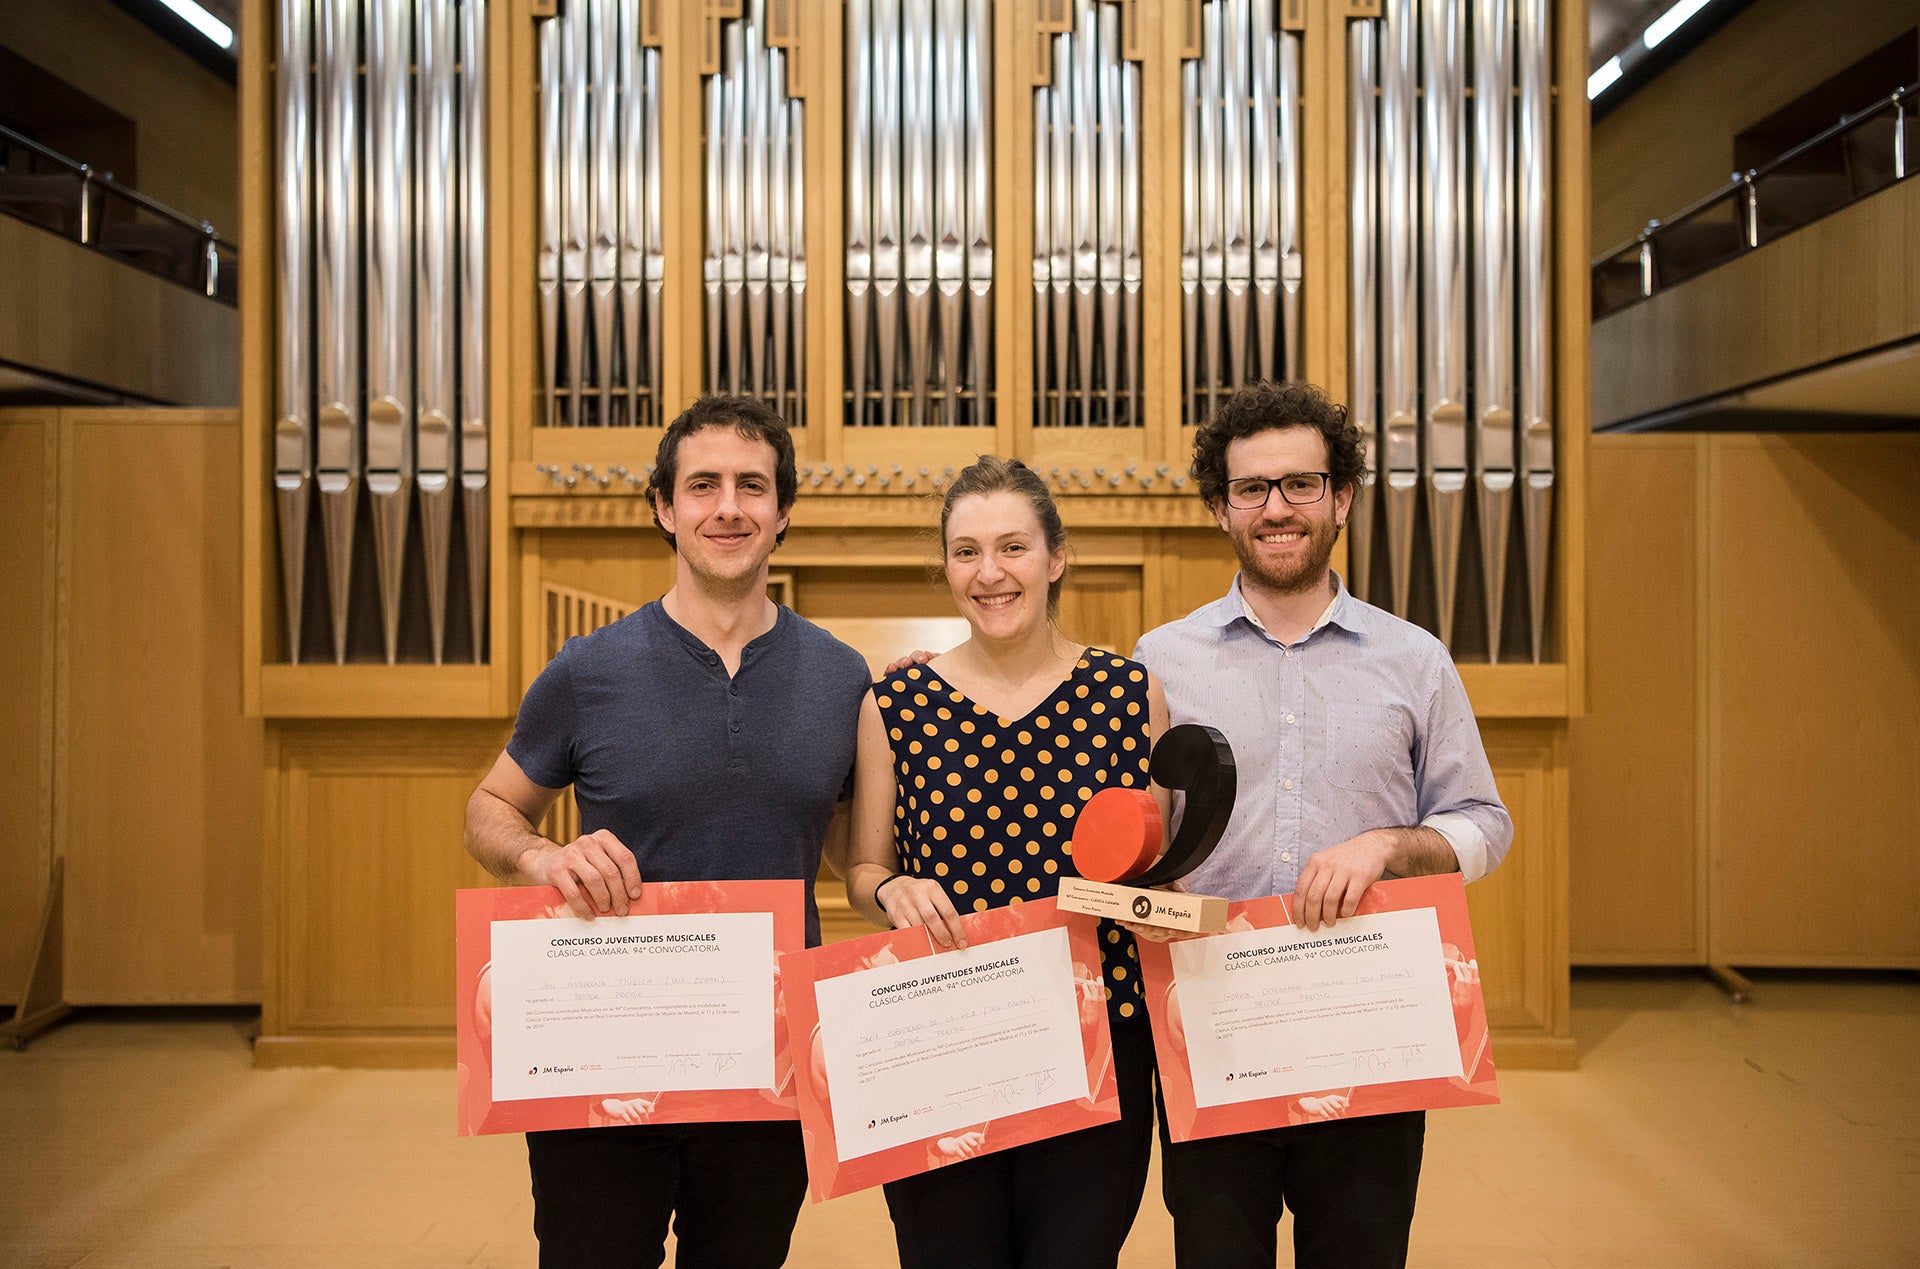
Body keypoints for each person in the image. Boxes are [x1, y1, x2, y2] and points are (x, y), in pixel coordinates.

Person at [462, 395, 872, 1269]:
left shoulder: (842, 677)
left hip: (766, 1067)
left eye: (752, 485)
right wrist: (544, 851)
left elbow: (845, 847)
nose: (728, 506)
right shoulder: (587, 668)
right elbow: (489, 809)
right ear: (664, 507)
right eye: (703, 485)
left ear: (784, 510)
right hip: (603, 1053)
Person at [1130, 379, 1514, 1269]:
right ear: (1221, 509)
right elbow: (1132, 837)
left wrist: (1388, 844)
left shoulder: (1413, 658)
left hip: (1372, 1021)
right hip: (1217, 1021)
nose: (1277, 508)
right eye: (1252, 489)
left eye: (1300, 484)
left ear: (1340, 497)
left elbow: (1484, 824)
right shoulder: (1160, 659)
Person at [840, 455, 1172, 1269]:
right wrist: (892, 887)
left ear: (1055, 558)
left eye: (1013, 547)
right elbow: (861, 872)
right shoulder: (895, 706)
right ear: (946, 566)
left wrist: (1147, 903)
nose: (989, 572)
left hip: (1102, 1040)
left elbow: (1162, 885)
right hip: (943, 1038)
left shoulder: (1134, 694)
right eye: (966, 551)